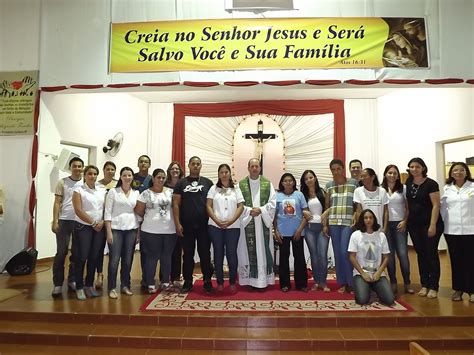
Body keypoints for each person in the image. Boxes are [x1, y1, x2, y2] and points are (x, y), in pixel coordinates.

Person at [173, 156, 214, 294]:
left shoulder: (208, 183)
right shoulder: (181, 183)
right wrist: (177, 223)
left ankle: (207, 281)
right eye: (193, 164)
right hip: (186, 226)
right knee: (188, 255)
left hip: (204, 226)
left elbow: (213, 204)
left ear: (201, 166)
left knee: (205, 255)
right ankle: (188, 281)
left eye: (198, 164)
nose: (195, 166)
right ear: (189, 166)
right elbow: (176, 205)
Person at [405, 157, 444, 299]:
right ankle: (425, 284)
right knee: (421, 254)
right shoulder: (409, 182)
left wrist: (432, 225)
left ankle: (434, 286)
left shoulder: (431, 184)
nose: (414, 169)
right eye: (411, 167)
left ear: (423, 168)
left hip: (431, 224)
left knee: (431, 253)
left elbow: (436, 205)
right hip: (415, 225)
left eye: (417, 166)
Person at [135, 168, 177, 293]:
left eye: (163, 177)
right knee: (151, 257)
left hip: (169, 230)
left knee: (166, 257)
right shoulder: (145, 194)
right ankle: (150, 283)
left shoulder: (171, 192)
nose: (161, 180)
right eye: (158, 177)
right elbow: (138, 210)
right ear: (153, 178)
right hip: (150, 231)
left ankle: (165, 282)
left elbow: (176, 208)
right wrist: (150, 218)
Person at [237, 158, 276, 290]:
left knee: (263, 252)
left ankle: (263, 280)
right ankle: (249, 281)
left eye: (256, 166)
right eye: (252, 166)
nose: (254, 168)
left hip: (262, 222)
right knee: (246, 252)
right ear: (248, 168)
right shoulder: (240, 185)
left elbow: (273, 203)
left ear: (260, 168)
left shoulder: (267, 184)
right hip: (247, 222)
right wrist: (249, 211)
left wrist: (261, 210)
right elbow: (237, 204)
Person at [206, 164, 244, 293]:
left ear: (229, 173)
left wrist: (232, 220)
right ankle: (220, 283)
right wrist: (217, 221)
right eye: (221, 172)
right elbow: (208, 206)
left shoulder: (236, 189)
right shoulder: (213, 189)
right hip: (215, 226)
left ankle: (232, 282)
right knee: (218, 253)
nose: (224, 174)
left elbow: (241, 206)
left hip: (233, 226)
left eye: (226, 172)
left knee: (231, 253)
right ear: (218, 174)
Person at [104, 167, 140, 299]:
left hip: (131, 229)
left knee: (128, 260)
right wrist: (108, 232)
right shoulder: (113, 192)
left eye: (129, 175)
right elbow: (107, 213)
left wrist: (138, 232)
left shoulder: (136, 193)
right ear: (120, 177)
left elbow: (138, 214)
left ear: (132, 177)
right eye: (124, 175)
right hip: (116, 230)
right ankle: (112, 287)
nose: (127, 177)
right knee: (114, 260)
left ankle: (125, 285)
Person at [441, 162, 474, 303]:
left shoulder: (472, 186)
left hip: (471, 229)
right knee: (456, 261)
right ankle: (458, 289)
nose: (458, 172)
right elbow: (443, 209)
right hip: (451, 230)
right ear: (451, 173)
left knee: (471, 261)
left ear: (466, 172)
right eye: (455, 170)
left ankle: (472, 290)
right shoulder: (447, 188)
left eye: (461, 170)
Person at [72, 165, 106, 300]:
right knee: (82, 257)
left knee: (94, 257)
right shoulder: (78, 190)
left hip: (99, 227)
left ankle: (89, 285)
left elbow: (105, 208)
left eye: (95, 174)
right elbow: (78, 210)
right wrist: (93, 222)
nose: (92, 176)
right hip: (84, 226)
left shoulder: (101, 190)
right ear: (85, 175)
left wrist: (102, 221)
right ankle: (79, 287)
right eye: (90, 174)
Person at [324, 159, 359, 293]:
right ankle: (342, 282)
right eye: (333, 169)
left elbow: (357, 204)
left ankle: (352, 282)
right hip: (333, 222)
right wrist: (325, 224)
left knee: (345, 252)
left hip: (348, 222)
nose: (336, 171)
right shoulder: (329, 185)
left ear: (343, 169)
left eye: (338, 168)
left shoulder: (353, 183)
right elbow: (327, 206)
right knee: (338, 253)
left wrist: (356, 214)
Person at [51, 157, 84, 297]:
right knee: (61, 252)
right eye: (74, 166)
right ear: (70, 167)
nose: (77, 168)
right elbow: (57, 202)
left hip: (80, 221)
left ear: (83, 168)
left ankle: (73, 280)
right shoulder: (62, 182)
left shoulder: (85, 183)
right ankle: (58, 284)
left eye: (79, 166)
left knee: (77, 254)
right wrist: (55, 220)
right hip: (64, 221)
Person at [348, 209, 395, 306]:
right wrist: (363, 274)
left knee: (389, 300)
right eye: (365, 218)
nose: (368, 220)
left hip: (377, 274)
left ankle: (374, 287)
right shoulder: (355, 235)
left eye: (370, 218)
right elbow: (352, 257)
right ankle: (364, 287)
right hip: (361, 274)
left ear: (374, 219)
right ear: (362, 220)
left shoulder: (381, 235)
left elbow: (386, 257)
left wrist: (379, 273)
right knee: (362, 300)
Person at [381, 164, 414, 294]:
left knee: (402, 254)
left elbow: (407, 207)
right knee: (389, 256)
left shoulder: (403, 188)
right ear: (385, 174)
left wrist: (405, 221)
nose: (392, 175)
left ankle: (407, 282)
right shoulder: (381, 189)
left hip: (400, 224)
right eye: (390, 173)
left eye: (395, 173)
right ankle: (393, 282)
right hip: (386, 225)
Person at [273, 173, 308, 292]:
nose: (288, 182)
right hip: (283, 233)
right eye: (285, 181)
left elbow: (306, 213)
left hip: (298, 232)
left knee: (299, 258)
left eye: (290, 180)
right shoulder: (277, 196)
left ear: (294, 182)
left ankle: (301, 284)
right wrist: (276, 231)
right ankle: (285, 284)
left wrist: (300, 229)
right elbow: (273, 216)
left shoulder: (299, 195)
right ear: (281, 183)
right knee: (283, 259)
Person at [300, 170, 330, 292]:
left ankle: (323, 282)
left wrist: (325, 224)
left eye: (311, 177)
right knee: (314, 256)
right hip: (309, 229)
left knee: (322, 255)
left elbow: (328, 208)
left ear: (315, 178)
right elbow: (299, 208)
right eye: (306, 179)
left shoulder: (323, 192)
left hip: (322, 228)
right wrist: (303, 212)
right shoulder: (302, 194)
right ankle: (317, 282)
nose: (309, 180)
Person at [95, 160, 118, 289]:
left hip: (114, 221)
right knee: (99, 249)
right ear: (103, 171)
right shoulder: (97, 185)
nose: (110, 171)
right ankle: (99, 274)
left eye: (112, 169)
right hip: (100, 221)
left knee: (114, 252)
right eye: (107, 169)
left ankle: (113, 279)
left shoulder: (118, 185)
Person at [131, 154, 152, 289]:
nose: (143, 164)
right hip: (131, 217)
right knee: (129, 250)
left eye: (146, 162)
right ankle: (125, 280)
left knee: (146, 250)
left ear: (149, 165)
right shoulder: (131, 177)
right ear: (138, 164)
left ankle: (146, 278)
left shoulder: (152, 179)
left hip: (147, 218)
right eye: (141, 162)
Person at [163, 161, 184, 287]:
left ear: (180, 171)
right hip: (165, 221)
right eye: (172, 168)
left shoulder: (183, 184)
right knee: (166, 251)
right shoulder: (163, 184)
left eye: (177, 168)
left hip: (179, 220)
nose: (175, 170)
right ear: (169, 171)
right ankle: (164, 277)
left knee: (177, 250)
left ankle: (176, 276)